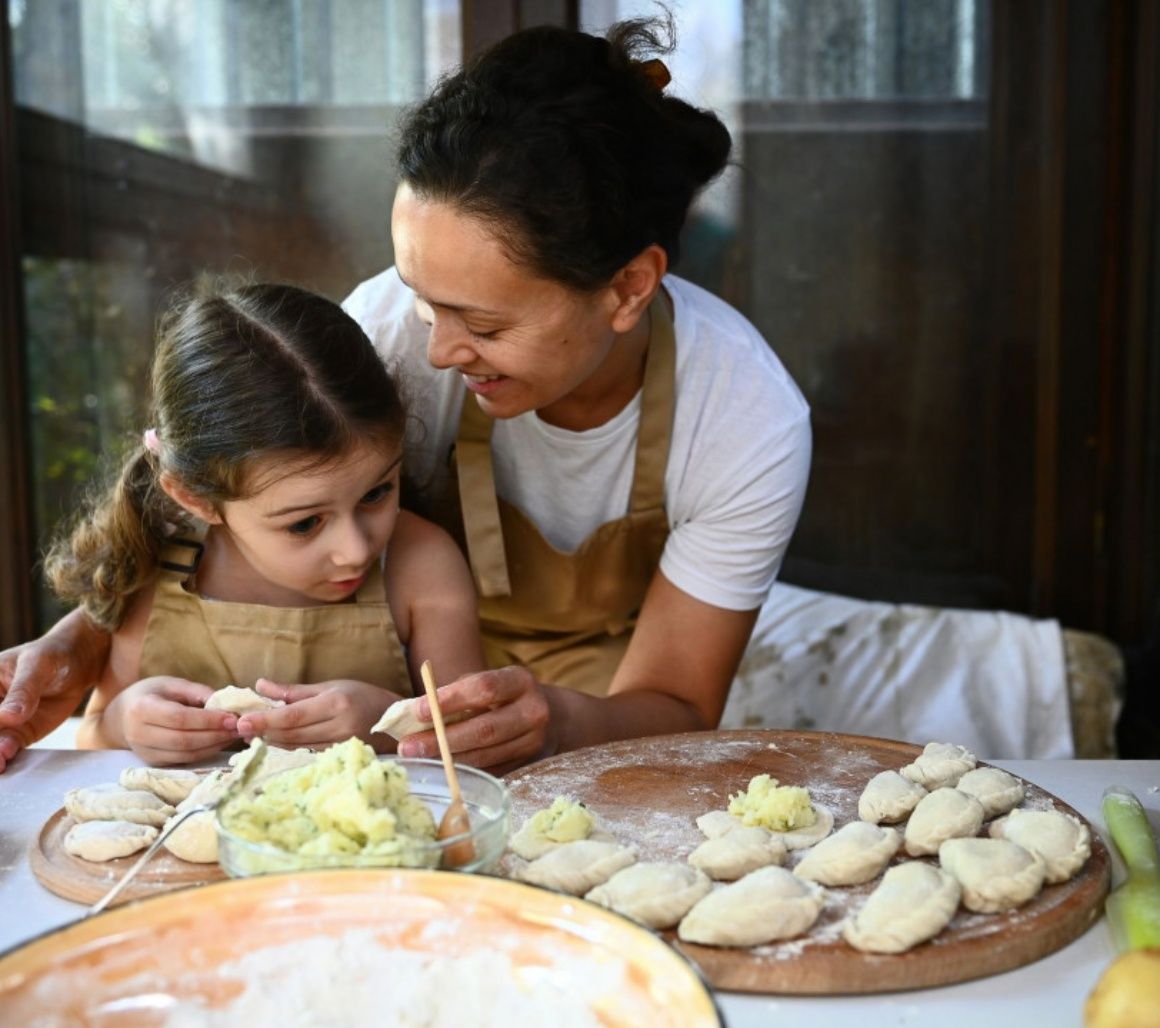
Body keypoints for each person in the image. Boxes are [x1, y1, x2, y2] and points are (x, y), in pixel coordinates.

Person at [0, 15, 810, 772]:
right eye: (423, 297)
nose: (434, 348)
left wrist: (553, 721)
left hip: (597, 727)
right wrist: (76, 647)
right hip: (388, 701)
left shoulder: (743, 418)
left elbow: (677, 701)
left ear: (629, 287)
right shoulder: (387, 328)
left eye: (483, 326)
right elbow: (238, 489)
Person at [35, 281, 483, 766]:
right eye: (305, 523)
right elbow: (93, 737)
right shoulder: (156, 571)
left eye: (376, 493)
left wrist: (388, 724)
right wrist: (127, 720)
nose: (355, 549)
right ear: (196, 498)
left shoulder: (422, 566)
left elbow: (472, 743)